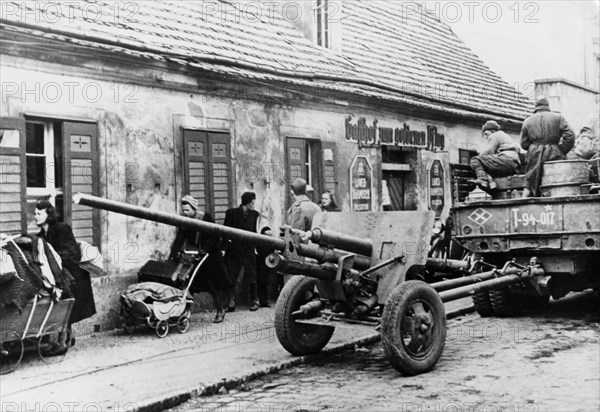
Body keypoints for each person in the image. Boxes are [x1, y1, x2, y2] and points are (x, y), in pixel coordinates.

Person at [36, 200, 96, 351]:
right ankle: (66, 338)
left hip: (74, 274)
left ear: (48, 214)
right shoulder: (41, 234)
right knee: (63, 305)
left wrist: (52, 258)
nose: (35, 217)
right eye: (35, 213)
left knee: (67, 305)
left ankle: (64, 341)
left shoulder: (61, 228)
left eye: (39, 213)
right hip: (59, 273)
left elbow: (71, 251)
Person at [170, 195, 231, 323]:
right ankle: (185, 312)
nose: (185, 213)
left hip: (211, 256)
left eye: (187, 210)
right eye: (183, 210)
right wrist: (173, 254)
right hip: (196, 255)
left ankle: (220, 309)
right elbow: (180, 239)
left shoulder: (205, 218)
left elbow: (215, 236)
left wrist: (205, 250)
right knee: (189, 283)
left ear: (194, 209)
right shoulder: (184, 222)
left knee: (212, 285)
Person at [520, 96, 575, 197]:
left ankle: (524, 200)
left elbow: (524, 144)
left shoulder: (527, 121)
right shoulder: (558, 117)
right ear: (547, 105)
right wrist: (561, 149)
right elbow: (570, 136)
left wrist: (534, 148)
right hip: (554, 152)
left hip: (534, 154)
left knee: (530, 179)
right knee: (558, 178)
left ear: (536, 106)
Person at [223, 192, 260, 312]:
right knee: (232, 277)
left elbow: (254, 231)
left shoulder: (254, 214)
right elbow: (225, 231)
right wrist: (223, 249)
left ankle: (255, 300)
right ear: (248, 203)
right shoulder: (231, 213)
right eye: (253, 202)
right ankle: (231, 303)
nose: (254, 205)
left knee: (252, 276)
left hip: (249, 250)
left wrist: (255, 247)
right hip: (235, 250)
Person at [469, 120, 521, 190]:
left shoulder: (495, 135)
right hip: (514, 165)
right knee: (487, 165)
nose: (485, 137)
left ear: (492, 131)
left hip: (505, 159)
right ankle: (491, 182)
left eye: (486, 134)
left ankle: (482, 179)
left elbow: (489, 151)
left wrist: (480, 156)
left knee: (475, 160)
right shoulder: (505, 136)